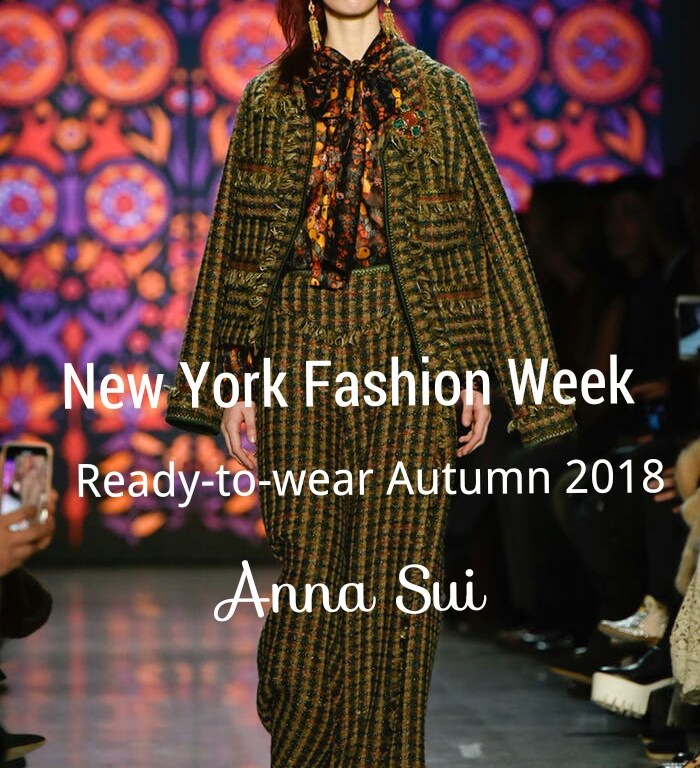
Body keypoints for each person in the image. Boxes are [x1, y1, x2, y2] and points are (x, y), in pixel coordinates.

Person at [165, 1, 576, 765]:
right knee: (310, 574)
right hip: (297, 340)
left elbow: (485, 235)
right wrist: (234, 379)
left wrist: (477, 373)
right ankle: (305, 750)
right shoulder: (270, 97)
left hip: (410, 344)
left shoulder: (439, 92)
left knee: (398, 576)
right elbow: (236, 239)